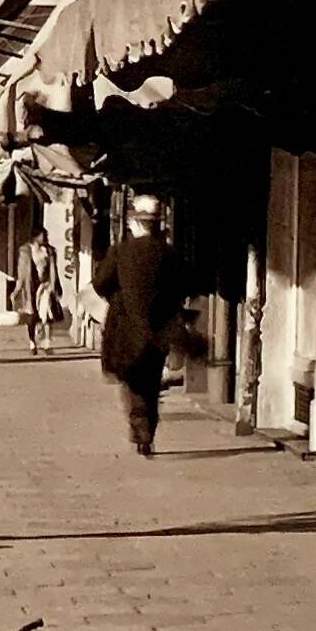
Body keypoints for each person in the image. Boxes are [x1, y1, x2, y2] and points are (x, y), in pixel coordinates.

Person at [91, 193, 192, 456]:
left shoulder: (120, 252)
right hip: (158, 330)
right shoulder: (169, 254)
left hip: (125, 330)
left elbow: (100, 283)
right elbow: (183, 285)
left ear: (134, 223)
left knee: (131, 381)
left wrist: (118, 296)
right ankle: (147, 428)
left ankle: (140, 425)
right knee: (150, 381)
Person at [11, 220, 65, 356]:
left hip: (45, 286)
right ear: (35, 236)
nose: (45, 238)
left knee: (46, 315)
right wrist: (17, 289)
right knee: (32, 317)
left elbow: (53, 269)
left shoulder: (50, 251)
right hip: (31, 288)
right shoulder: (25, 251)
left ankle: (46, 343)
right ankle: (32, 342)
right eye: (42, 235)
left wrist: (54, 285)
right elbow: (22, 272)